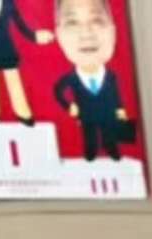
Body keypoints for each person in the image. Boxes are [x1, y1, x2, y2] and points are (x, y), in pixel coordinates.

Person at [52, 0, 128, 161]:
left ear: (113, 32)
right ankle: (90, 153)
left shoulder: (112, 77)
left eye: (97, 21)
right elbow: (59, 91)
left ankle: (112, 150)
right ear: (59, 35)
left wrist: (120, 111)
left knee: (109, 133)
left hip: (107, 113)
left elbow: (116, 96)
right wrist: (69, 106)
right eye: (73, 23)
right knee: (89, 135)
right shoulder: (71, 79)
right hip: (87, 114)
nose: (86, 33)